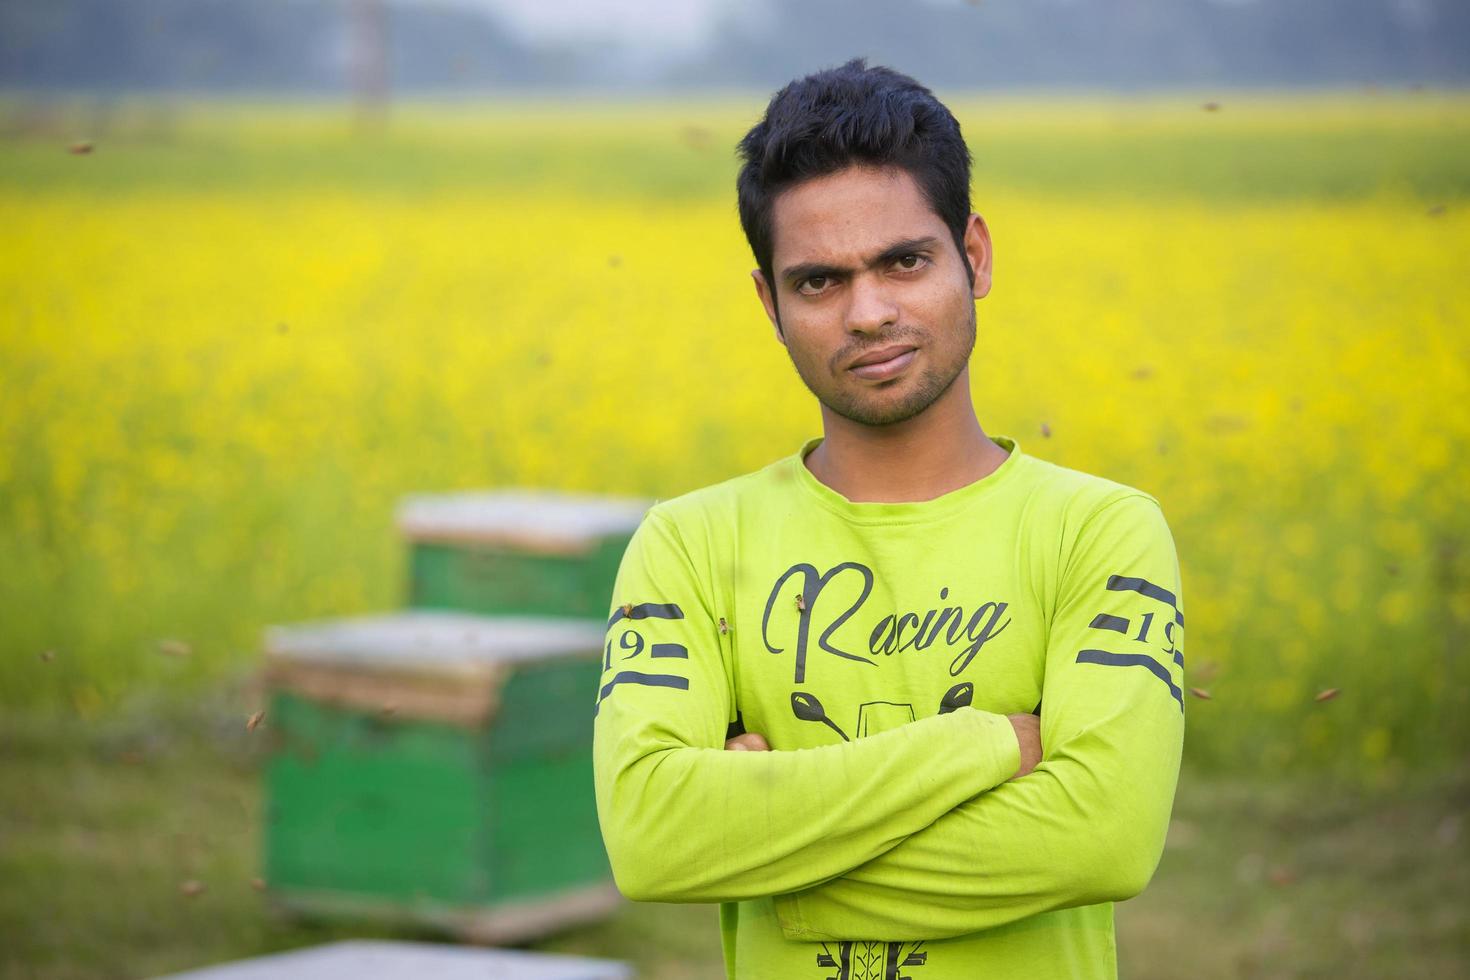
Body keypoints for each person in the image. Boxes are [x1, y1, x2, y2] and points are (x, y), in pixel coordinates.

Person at [591, 56, 1186, 980]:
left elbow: (1100, 839)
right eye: (820, 282)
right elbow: (654, 840)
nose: (869, 313)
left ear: (974, 257)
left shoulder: (1098, 532)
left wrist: (765, 851)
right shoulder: (692, 544)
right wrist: (987, 745)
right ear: (770, 305)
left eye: (904, 262)